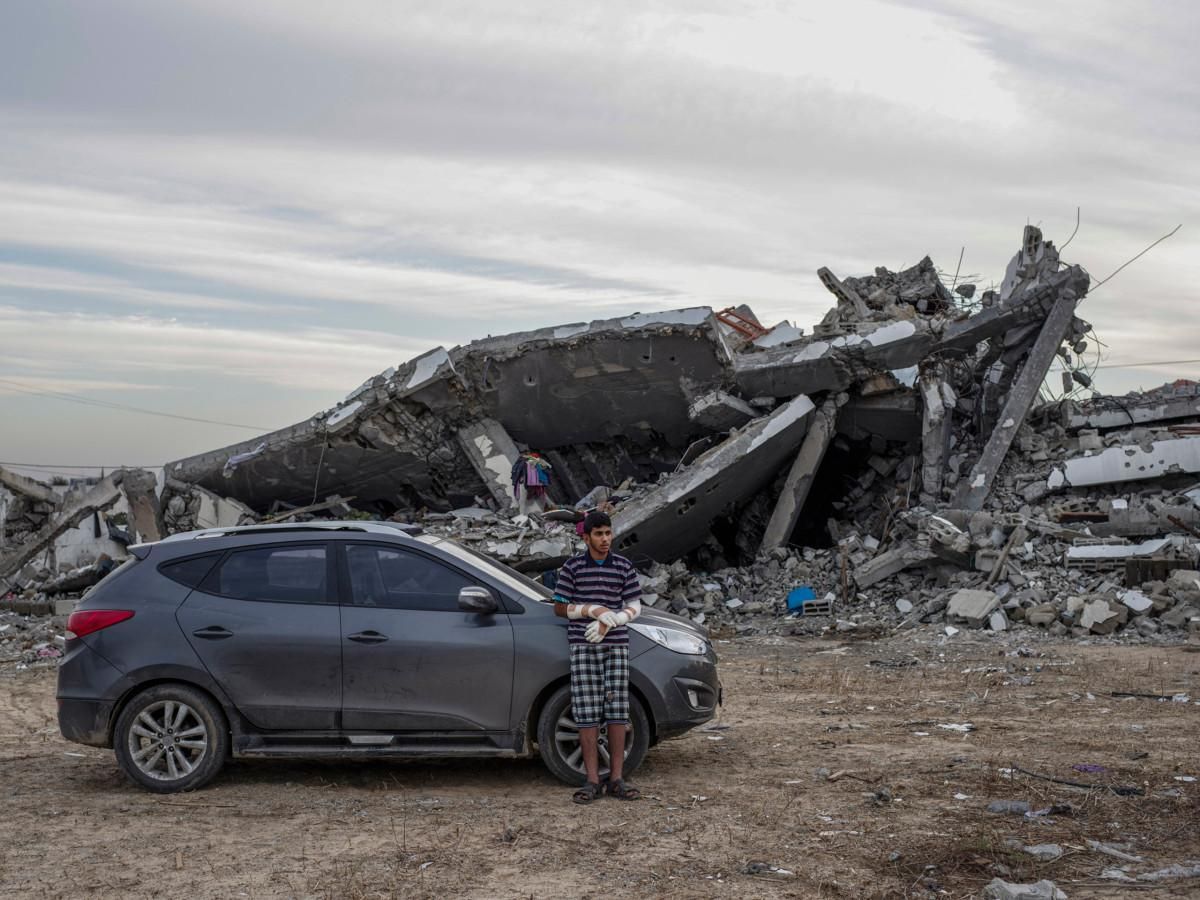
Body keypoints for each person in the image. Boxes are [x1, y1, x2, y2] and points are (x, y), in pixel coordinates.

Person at [552, 510, 643, 804]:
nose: (605, 539)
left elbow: (634, 606)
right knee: (586, 711)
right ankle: (592, 781)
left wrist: (611, 620)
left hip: (616, 645)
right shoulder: (573, 568)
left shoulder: (623, 566)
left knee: (617, 710)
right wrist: (591, 610)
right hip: (582, 646)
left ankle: (616, 778)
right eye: (599, 534)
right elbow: (559, 607)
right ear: (586, 537)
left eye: (608, 533)